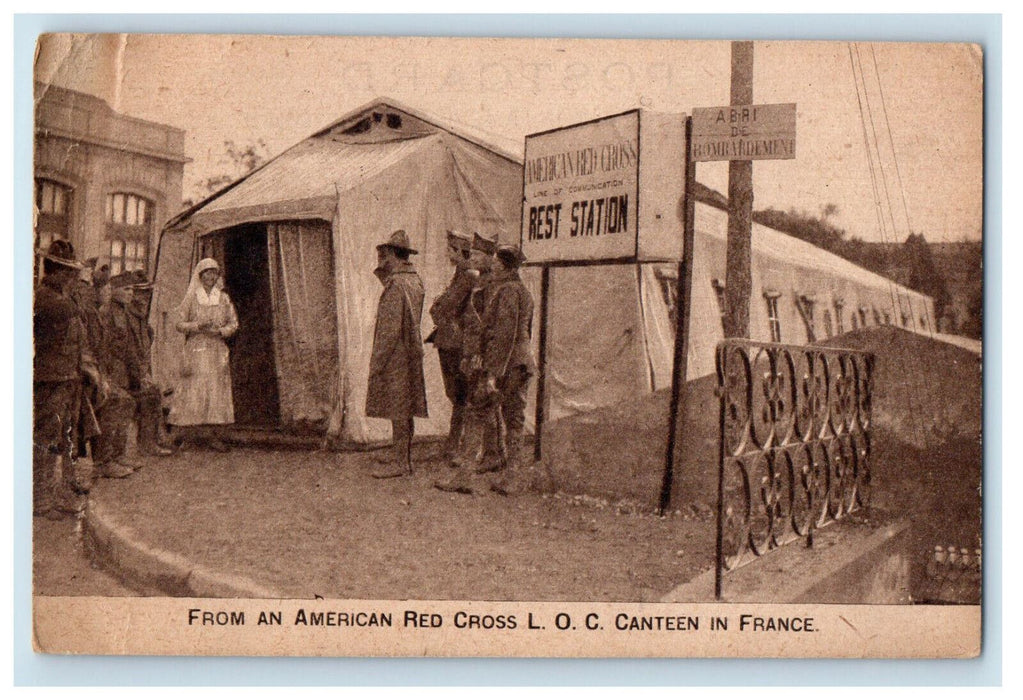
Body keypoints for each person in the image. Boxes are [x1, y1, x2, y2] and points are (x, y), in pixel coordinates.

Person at [33, 239, 104, 518]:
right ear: (57, 272)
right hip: (50, 380)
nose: (74, 278)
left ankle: (59, 495)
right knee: (46, 441)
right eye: (70, 273)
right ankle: (38, 500)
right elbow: (76, 312)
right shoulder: (46, 298)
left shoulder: (62, 297)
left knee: (66, 439)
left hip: (68, 378)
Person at [434, 231, 499, 494]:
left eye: (477, 254)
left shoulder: (476, 280)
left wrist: (474, 354)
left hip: (470, 349)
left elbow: (447, 308)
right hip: (468, 347)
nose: (472, 258)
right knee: (476, 402)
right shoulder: (473, 278)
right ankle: (491, 453)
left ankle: (464, 459)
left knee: (470, 401)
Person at [366, 230, 428, 479]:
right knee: (405, 407)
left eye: (385, 253)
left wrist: (377, 362)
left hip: (396, 355)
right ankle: (402, 457)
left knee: (398, 409)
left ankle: (401, 462)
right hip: (410, 352)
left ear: (393, 254)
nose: (381, 258)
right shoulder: (414, 280)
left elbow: (389, 332)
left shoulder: (396, 285)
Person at [167, 258, 238, 452]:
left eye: (214, 273)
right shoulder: (192, 298)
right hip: (196, 349)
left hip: (216, 350)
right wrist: (197, 326)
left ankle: (213, 436)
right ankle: (189, 435)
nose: (210, 277)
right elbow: (179, 323)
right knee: (193, 390)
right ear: (200, 275)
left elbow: (233, 323)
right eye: (207, 273)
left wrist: (222, 331)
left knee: (215, 391)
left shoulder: (223, 299)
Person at [482, 244, 536, 495]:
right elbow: (527, 333)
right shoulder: (524, 292)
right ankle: (512, 475)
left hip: (509, 365)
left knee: (511, 417)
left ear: (504, 267)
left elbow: (505, 335)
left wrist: (493, 373)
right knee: (514, 417)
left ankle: (513, 477)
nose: (492, 267)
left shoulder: (507, 292)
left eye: (495, 264)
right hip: (521, 362)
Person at [426, 229, 475, 461]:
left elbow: (444, 306)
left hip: (456, 342)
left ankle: (457, 446)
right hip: (452, 340)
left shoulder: (467, 274)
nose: (447, 252)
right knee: (458, 394)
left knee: (461, 395)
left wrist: (437, 307)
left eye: (450, 248)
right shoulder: (461, 273)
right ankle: (455, 444)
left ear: (458, 251)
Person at [92, 273, 146, 478]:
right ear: (113, 290)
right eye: (126, 289)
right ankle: (103, 461)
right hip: (110, 368)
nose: (131, 293)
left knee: (125, 406)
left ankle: (117, 455)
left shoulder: (123, 312)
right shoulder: (108, 312)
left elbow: (129, 345)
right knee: (113, 408)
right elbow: (106, 345)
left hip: (120, 368)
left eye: (132, 289)